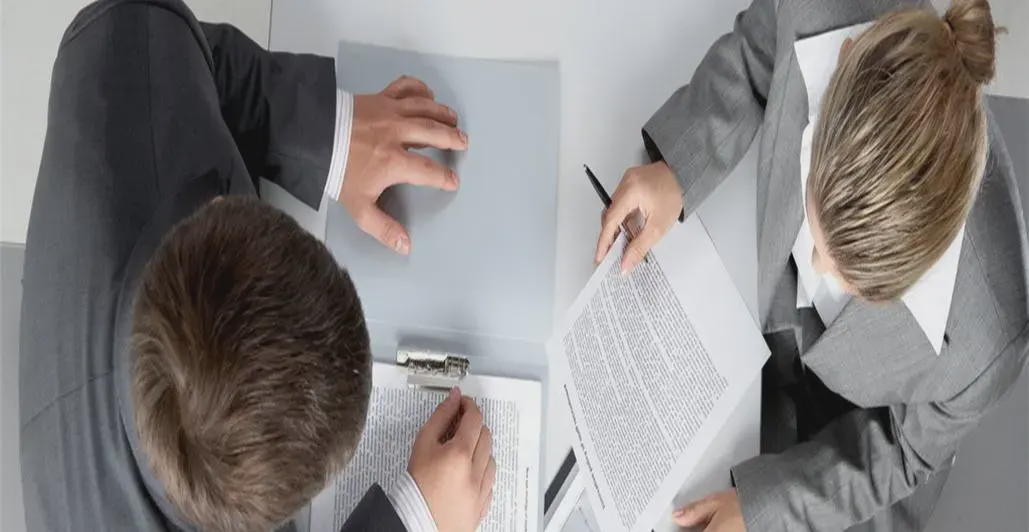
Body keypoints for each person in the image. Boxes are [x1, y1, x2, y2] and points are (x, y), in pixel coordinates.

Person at [19, 0, 494, 531]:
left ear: (220, 209)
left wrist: (333, 140)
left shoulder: (128, 39)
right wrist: (413, 520)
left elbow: (195, 66)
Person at [596, 0, 1026, 531]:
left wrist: (763, 512)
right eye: (818, 233)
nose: (817, 268)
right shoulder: (817, 8)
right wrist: (678, 167)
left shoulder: (988, 345)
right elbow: (759, 50)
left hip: (859, 456)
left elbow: (902, 451)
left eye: (858, 282)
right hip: (747, 332)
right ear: (841, 61)